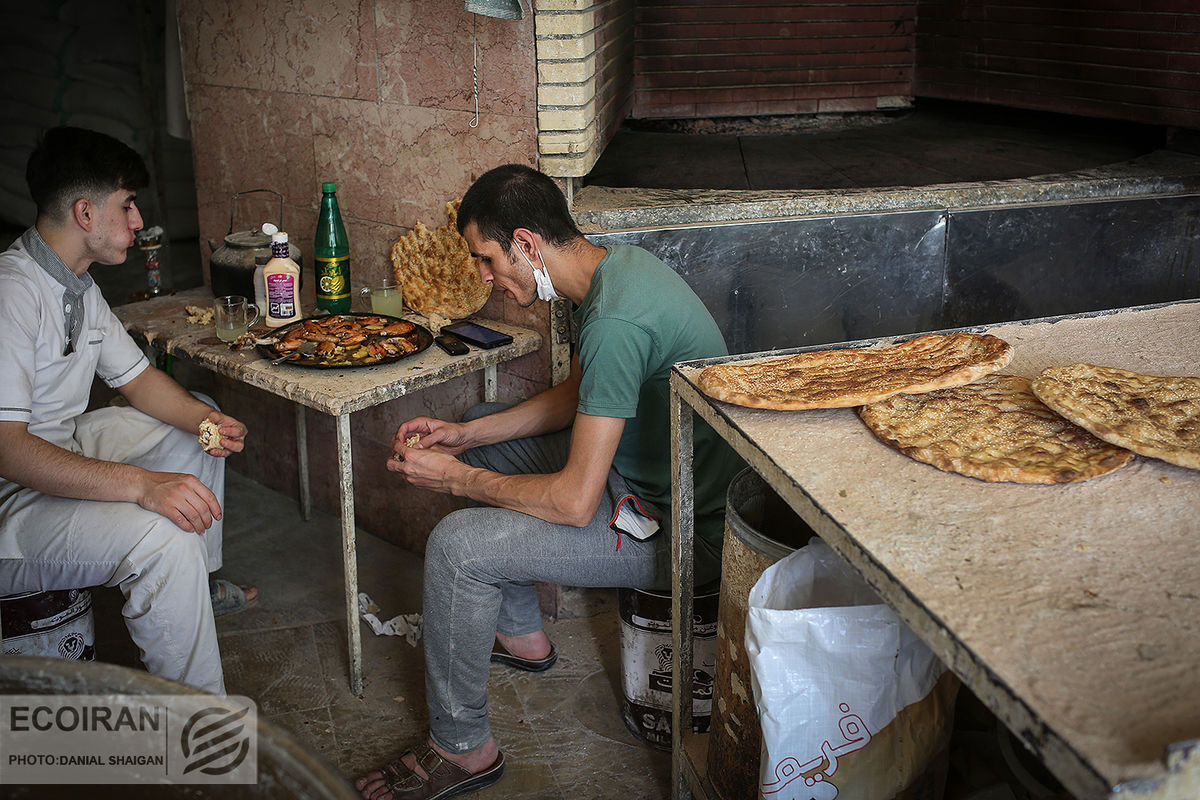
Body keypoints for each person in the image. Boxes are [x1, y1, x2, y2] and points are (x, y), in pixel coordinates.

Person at [356, 164, 741, 800]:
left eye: (486, 259)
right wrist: (467, 440)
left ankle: (463, 748)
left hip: (684, 530)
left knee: (461, 547)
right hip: (643, 475)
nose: (486, 278)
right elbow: (575, 399)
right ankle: (524, 638)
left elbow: (571, 500)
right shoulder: (615, 271)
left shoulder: (617, 322)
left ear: (527, 244)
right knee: (483, 421)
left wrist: (456, 479)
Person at [0, 126, 257, 695]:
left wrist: (207, 424)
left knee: (199, 420)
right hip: (12, 501)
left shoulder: (76, 284)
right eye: (128, 204)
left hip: (61, 451)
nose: (139, 221)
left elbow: (140, 382)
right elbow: (8, 449)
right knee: (159, 536)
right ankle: (198, 724)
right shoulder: (11, 293)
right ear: (86, 213)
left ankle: (196, 586)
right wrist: (142, 486)